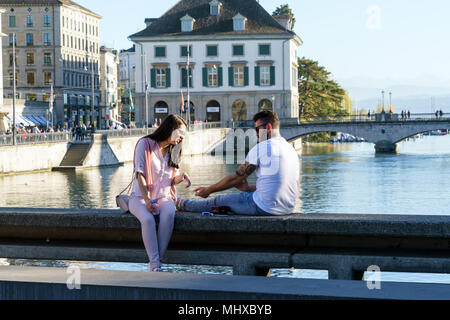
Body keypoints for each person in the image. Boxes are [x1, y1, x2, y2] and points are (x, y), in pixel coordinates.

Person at [177, 110, 300, 216]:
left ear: (268, 127)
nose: (256, 134)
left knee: (220, 200)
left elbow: (235, 178)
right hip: (287, 208)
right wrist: (248, 189)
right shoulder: (290, 149)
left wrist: (208, 190)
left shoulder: (263, 147)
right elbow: (278, 186)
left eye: (257, 129)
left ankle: (182, 203)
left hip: (264, 207)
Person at [129, 114, 191, 272]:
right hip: (139, 197)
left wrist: (180, 177)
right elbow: (139, 174)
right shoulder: (145, 144)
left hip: (164, 197)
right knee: (148, 220)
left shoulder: (174, 150)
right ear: (170, 129)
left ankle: (156, 263)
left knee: (169, 214)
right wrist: (147, 199)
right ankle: (155, 264)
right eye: (180, 133)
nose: (181, 138)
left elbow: (169, 180)